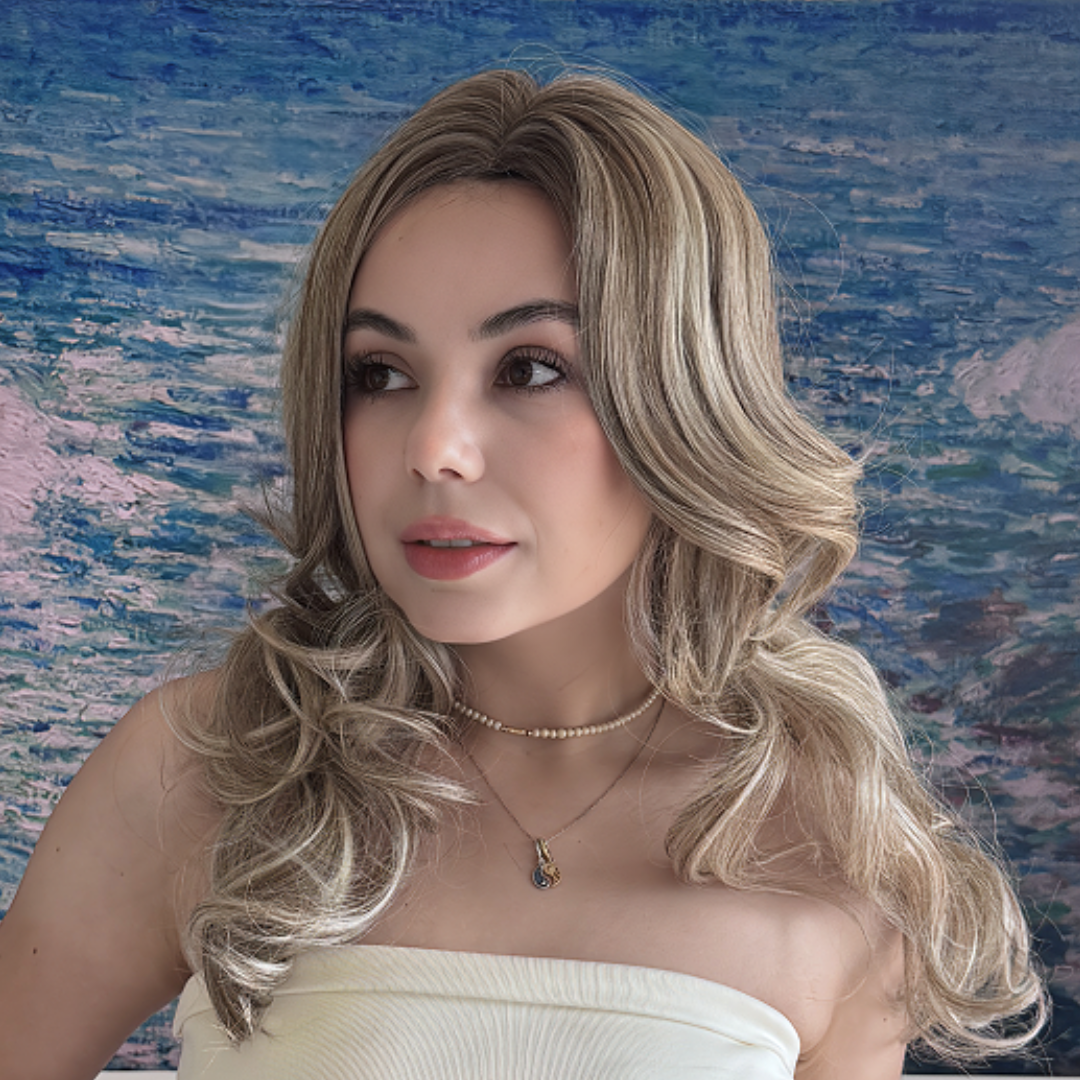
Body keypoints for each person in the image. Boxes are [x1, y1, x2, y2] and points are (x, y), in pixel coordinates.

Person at [0, 69, 1045, 1080]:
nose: (433, 449)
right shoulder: (206, 771)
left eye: (530, 368)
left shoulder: (828, 846)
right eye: (381, 374)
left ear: (682, 400)